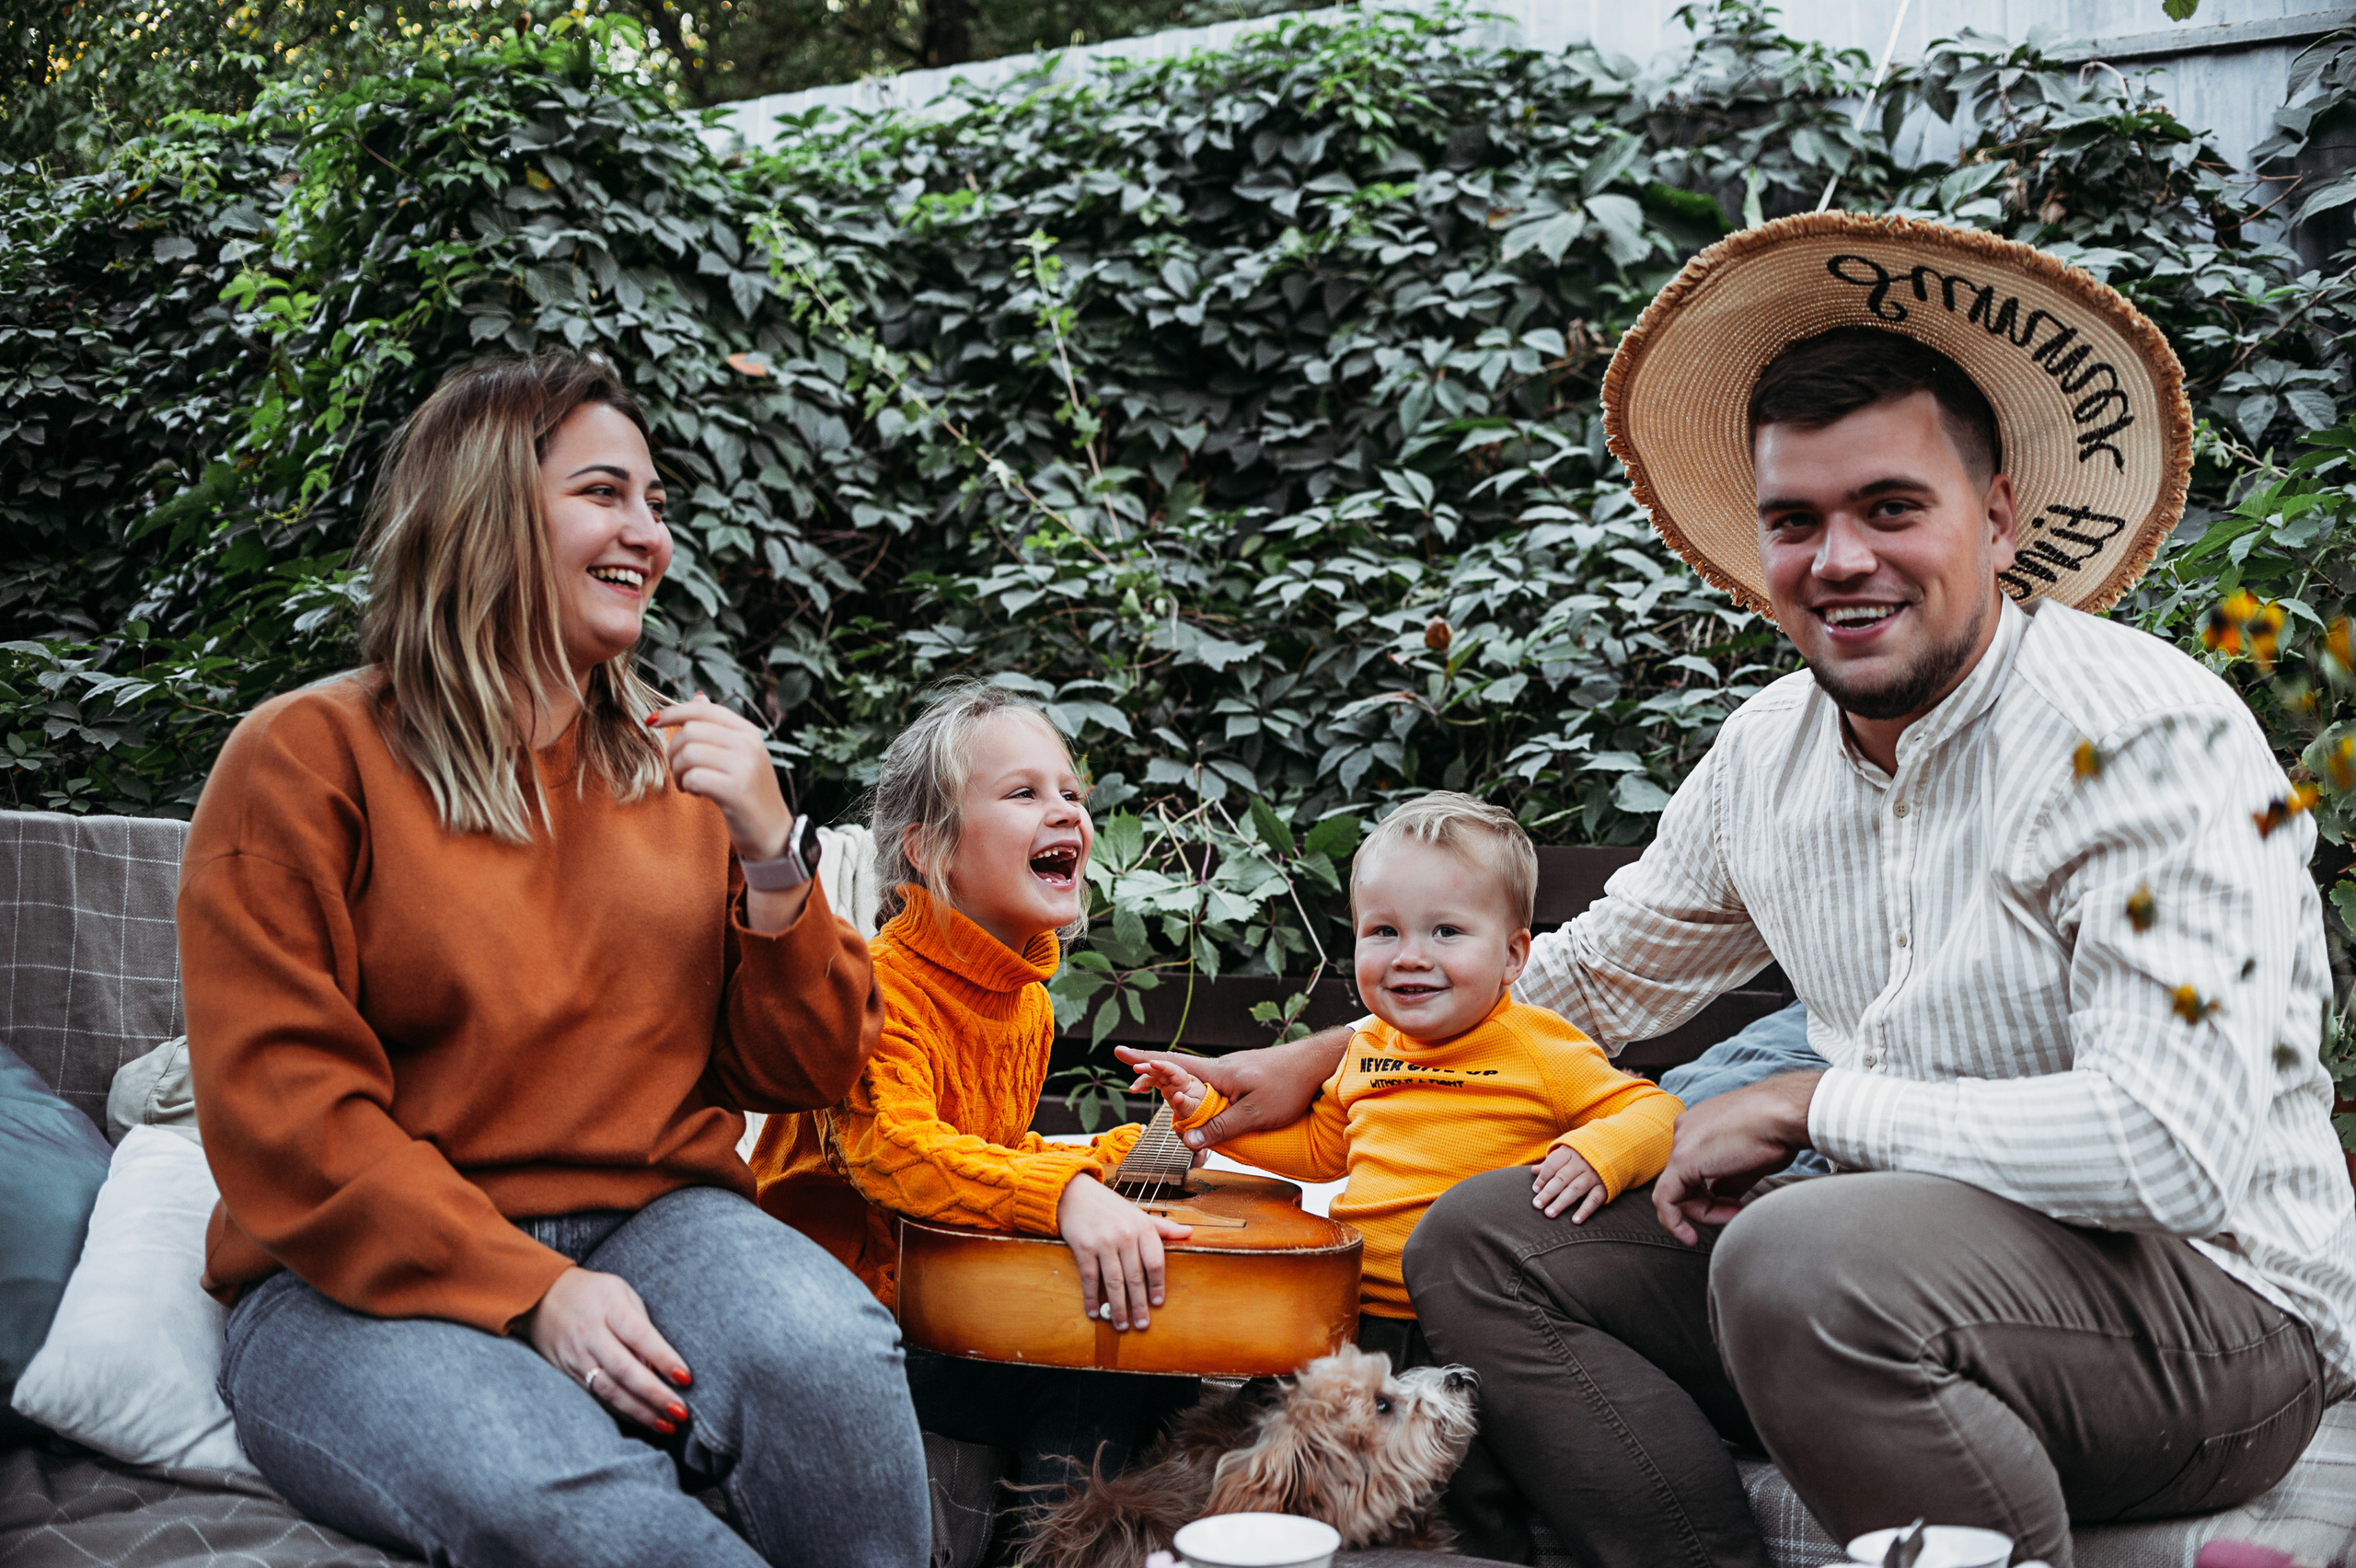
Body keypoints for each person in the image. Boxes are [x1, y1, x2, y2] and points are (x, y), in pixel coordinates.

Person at [1121, 213, 2356, 1568]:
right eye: (1796, 520)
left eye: (1892, 507)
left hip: (2217, 1317)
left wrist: (1806, 1101)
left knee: (1799, 1251)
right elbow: (1594, 974)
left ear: (1998, 518)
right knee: (1480, 1242)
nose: (1840, 561)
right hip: (1892, 1275)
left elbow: (2172, 1150)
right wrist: (1311, 1056)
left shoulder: (2137, 737)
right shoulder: (1770, 752)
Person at [182, 352, 927, 1568]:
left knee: (829, 1359)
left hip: (656, 1221)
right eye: (605, 494)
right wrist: (532, 1290)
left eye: (657, 505)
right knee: (579, 1497)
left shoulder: (676, 771)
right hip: (346, 1281)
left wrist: (775, 856)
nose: (648, 533)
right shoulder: (304, 760)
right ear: (484, 509)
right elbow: (287, 1115)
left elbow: (811, 1068)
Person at [1133, 791, 1681, 1562]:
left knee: (1468, 1494)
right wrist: (1211, 1123)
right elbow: (1326, 1147)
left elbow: (1654, 1112)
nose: (1409, 956)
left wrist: (1598, 1152)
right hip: (1358, 1317)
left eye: (1446, 932)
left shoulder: (1540, 1049)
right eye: (1382, 932)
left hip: (1467, 1322)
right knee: (1309, 1477)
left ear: (1515, 956)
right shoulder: (1368, 1050)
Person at [749, 681, 1197, 1494]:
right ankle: (1050, 1550)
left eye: (1070, 792)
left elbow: (989, 1157)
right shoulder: (879, 984)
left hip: (951, 1294)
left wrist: (1132, 1149)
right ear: (931, 849)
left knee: (1171, 1349)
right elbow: (895, 1152)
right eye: (1024, 794)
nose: (1065, 811)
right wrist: (1065, 1193)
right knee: (1111, 1369)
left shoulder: (1022, 995)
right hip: (853, 1322)